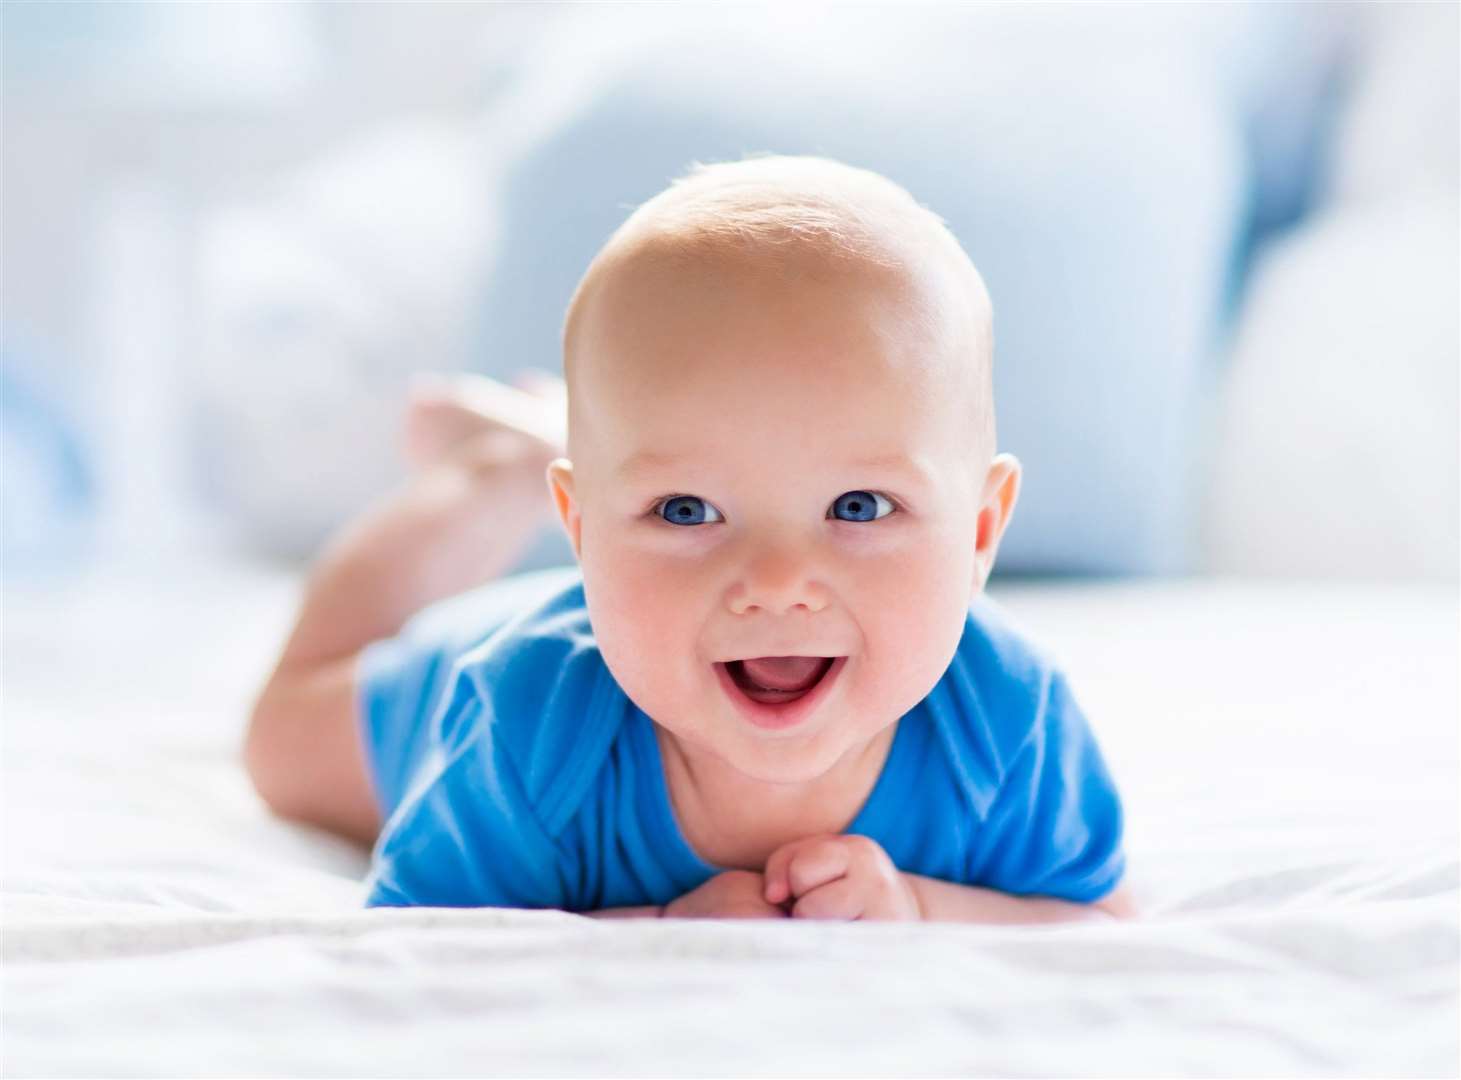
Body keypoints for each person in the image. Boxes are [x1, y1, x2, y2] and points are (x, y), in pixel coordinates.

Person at [244, 155, 1136, 922]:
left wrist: (916, 903)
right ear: (582, 531)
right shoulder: (527, 724)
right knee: (279, 742)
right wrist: (656, 924)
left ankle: (577, 452)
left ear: (979, 531)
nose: (779, 581)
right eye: (685, 510)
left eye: (859, 506)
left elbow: (1090, 916)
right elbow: (422, 946)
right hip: (439, 683)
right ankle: (498, 474)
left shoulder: (1005, 720)